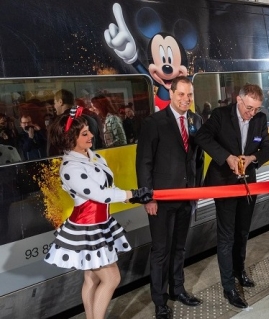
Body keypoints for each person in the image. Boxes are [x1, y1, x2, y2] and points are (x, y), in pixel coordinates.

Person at [43, 107, 152, 319]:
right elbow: (99, 195)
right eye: (84, 133)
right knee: (111, 278)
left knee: (92, 279)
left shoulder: (93, 157)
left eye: (88, 131)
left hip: (100, 224)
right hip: (87, 228)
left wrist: (133, 197)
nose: (91, 135)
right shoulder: (70, 168)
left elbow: (109, 189)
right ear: (69, 138)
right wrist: (134, 193)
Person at [195, 83, 269, 309]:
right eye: (249, 108)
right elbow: (202, 137)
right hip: (225, 186)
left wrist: (252, 159)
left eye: (256, 109)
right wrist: (227, 157)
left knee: (242, 232)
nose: (252, 114)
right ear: (238, 100)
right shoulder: (220, 116)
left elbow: (267, 147)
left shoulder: (259, 119)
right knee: (227, 236)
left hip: (248, 186)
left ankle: (240, 272)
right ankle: (229, 286)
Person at [136, 76, 204, 319]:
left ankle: (178, 290)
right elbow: (144, 163)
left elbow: (197, 159)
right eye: (181, 94)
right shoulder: (154, 123)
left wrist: (197, 191)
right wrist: (148, 198)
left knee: (179, 248)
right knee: (161, 251)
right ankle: (160, 302)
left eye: (189, 95)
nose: (185, 99)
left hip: (187, 198)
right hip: (161, 201)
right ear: (171, 94)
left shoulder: (196, 121)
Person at [49, 89, 102, 155]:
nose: (54, 106)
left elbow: (53, 152)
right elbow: (100, 146)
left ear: (60, 102)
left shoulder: (58, 123)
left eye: (54, 103)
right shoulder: (91, 119)